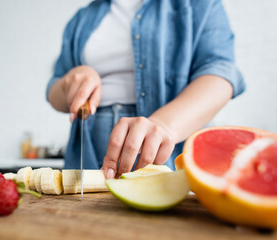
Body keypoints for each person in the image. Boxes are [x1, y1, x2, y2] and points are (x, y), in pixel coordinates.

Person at [46, 0, 245, 179]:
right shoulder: (81, 18)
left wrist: (164, 126)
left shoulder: (201, 4)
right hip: (86, 156)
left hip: (171, 156)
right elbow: (54, 89)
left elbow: (220, 75)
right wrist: (70, 83)